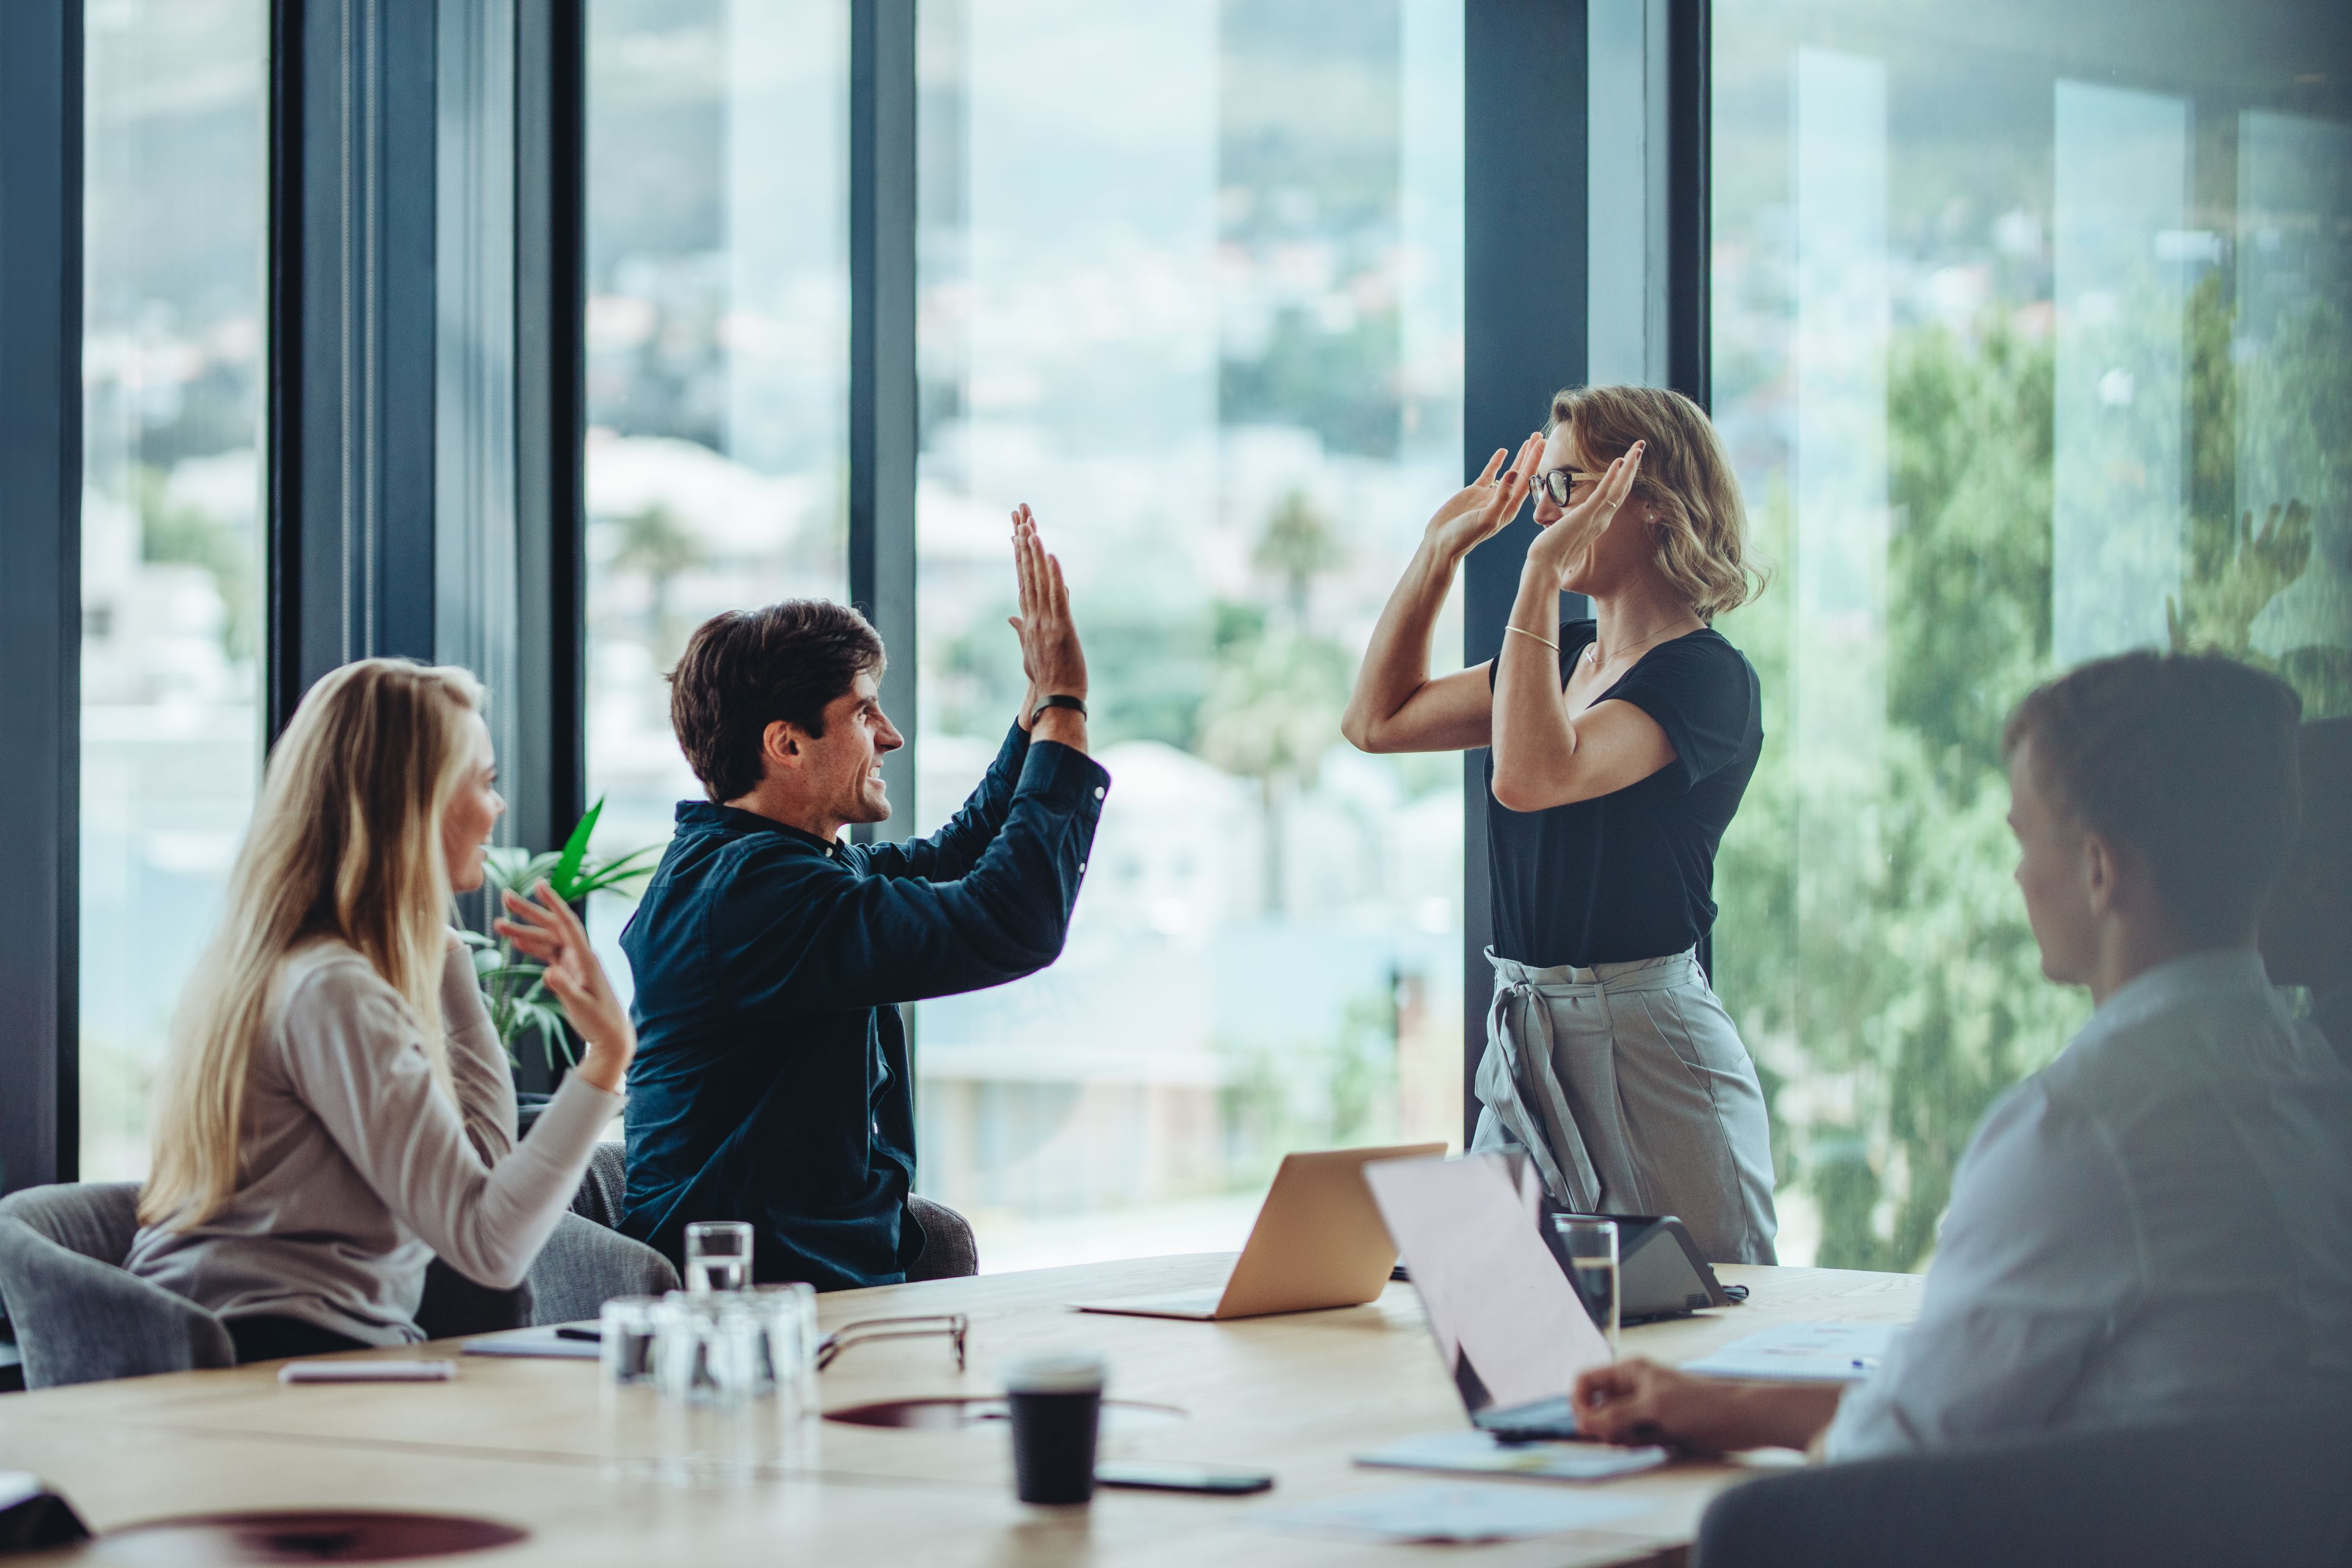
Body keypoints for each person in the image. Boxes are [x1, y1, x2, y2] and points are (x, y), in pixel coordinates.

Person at [1572, 652, 2352, 1460]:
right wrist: (1717, 1404)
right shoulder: (2318, 1089)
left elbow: (1891, 1457)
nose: (2017, 876)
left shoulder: (2083, 1132)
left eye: (2024, 839)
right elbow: (1946, 1408)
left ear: (2097, 869)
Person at [1343, 383, 1777, 1263]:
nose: (1542, 510)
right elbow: (1377, 721)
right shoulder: (1559, 658)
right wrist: (1440, 552)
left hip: (1649, 1040)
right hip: (1529, 1040)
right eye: (1542, 484)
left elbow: (1534, 775)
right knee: (1505, 1324)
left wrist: (1538, 572)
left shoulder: (1705, 679)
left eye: (1567, 485)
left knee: (1723, 1329)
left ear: (1649, 502)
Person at [618, 508, 1106, 1290]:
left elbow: (955, 855)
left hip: (820, 1281)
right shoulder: (753, 892)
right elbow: (1010, 921)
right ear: (786, 743)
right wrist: (1066, 705)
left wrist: (1038, 707)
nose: (891, 736)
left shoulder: (770, 866)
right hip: (763, 1304)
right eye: (863, 712)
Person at [127, 659, 635, 1362]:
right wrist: (607, 1058)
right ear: (417, 804)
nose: (500, 807)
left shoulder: (305, 964)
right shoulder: (333, 989)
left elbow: (482, 1169)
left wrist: (444, 948)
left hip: (319, 1346)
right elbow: (490, 1246)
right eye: (485, 782)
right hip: (271, 1361)